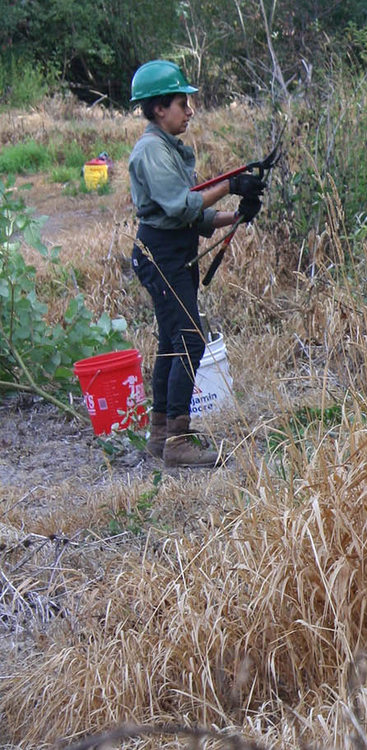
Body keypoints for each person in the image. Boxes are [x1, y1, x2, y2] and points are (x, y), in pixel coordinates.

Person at [128, 60, 265, 468]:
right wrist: (230, 185)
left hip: (173, 251)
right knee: (190, 340)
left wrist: (238, 213)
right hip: (162, 256)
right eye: (181, 103)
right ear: (158, 109)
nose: (189, 110)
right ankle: (177, 442)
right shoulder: (152, 150)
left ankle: (160, 434)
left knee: (173, 343)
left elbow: (193, 216)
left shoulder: (166, 148)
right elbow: (180, 205)